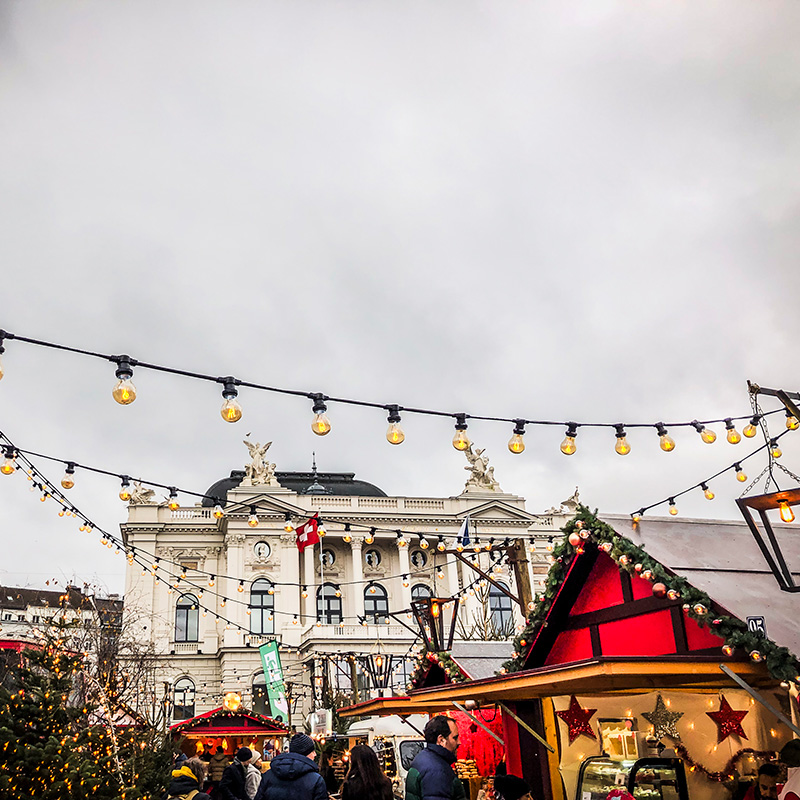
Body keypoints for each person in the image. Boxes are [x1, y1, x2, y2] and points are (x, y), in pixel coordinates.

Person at [405, 716, 466, 800]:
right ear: (441, 740)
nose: (459, 742)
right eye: (455, 738)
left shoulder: (423, 758)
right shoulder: (438, 771)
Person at [254, 733, 327, 800]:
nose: (315, 754)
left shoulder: (268, 776)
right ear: (306, 753)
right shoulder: (315, 780)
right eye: (313, 751)